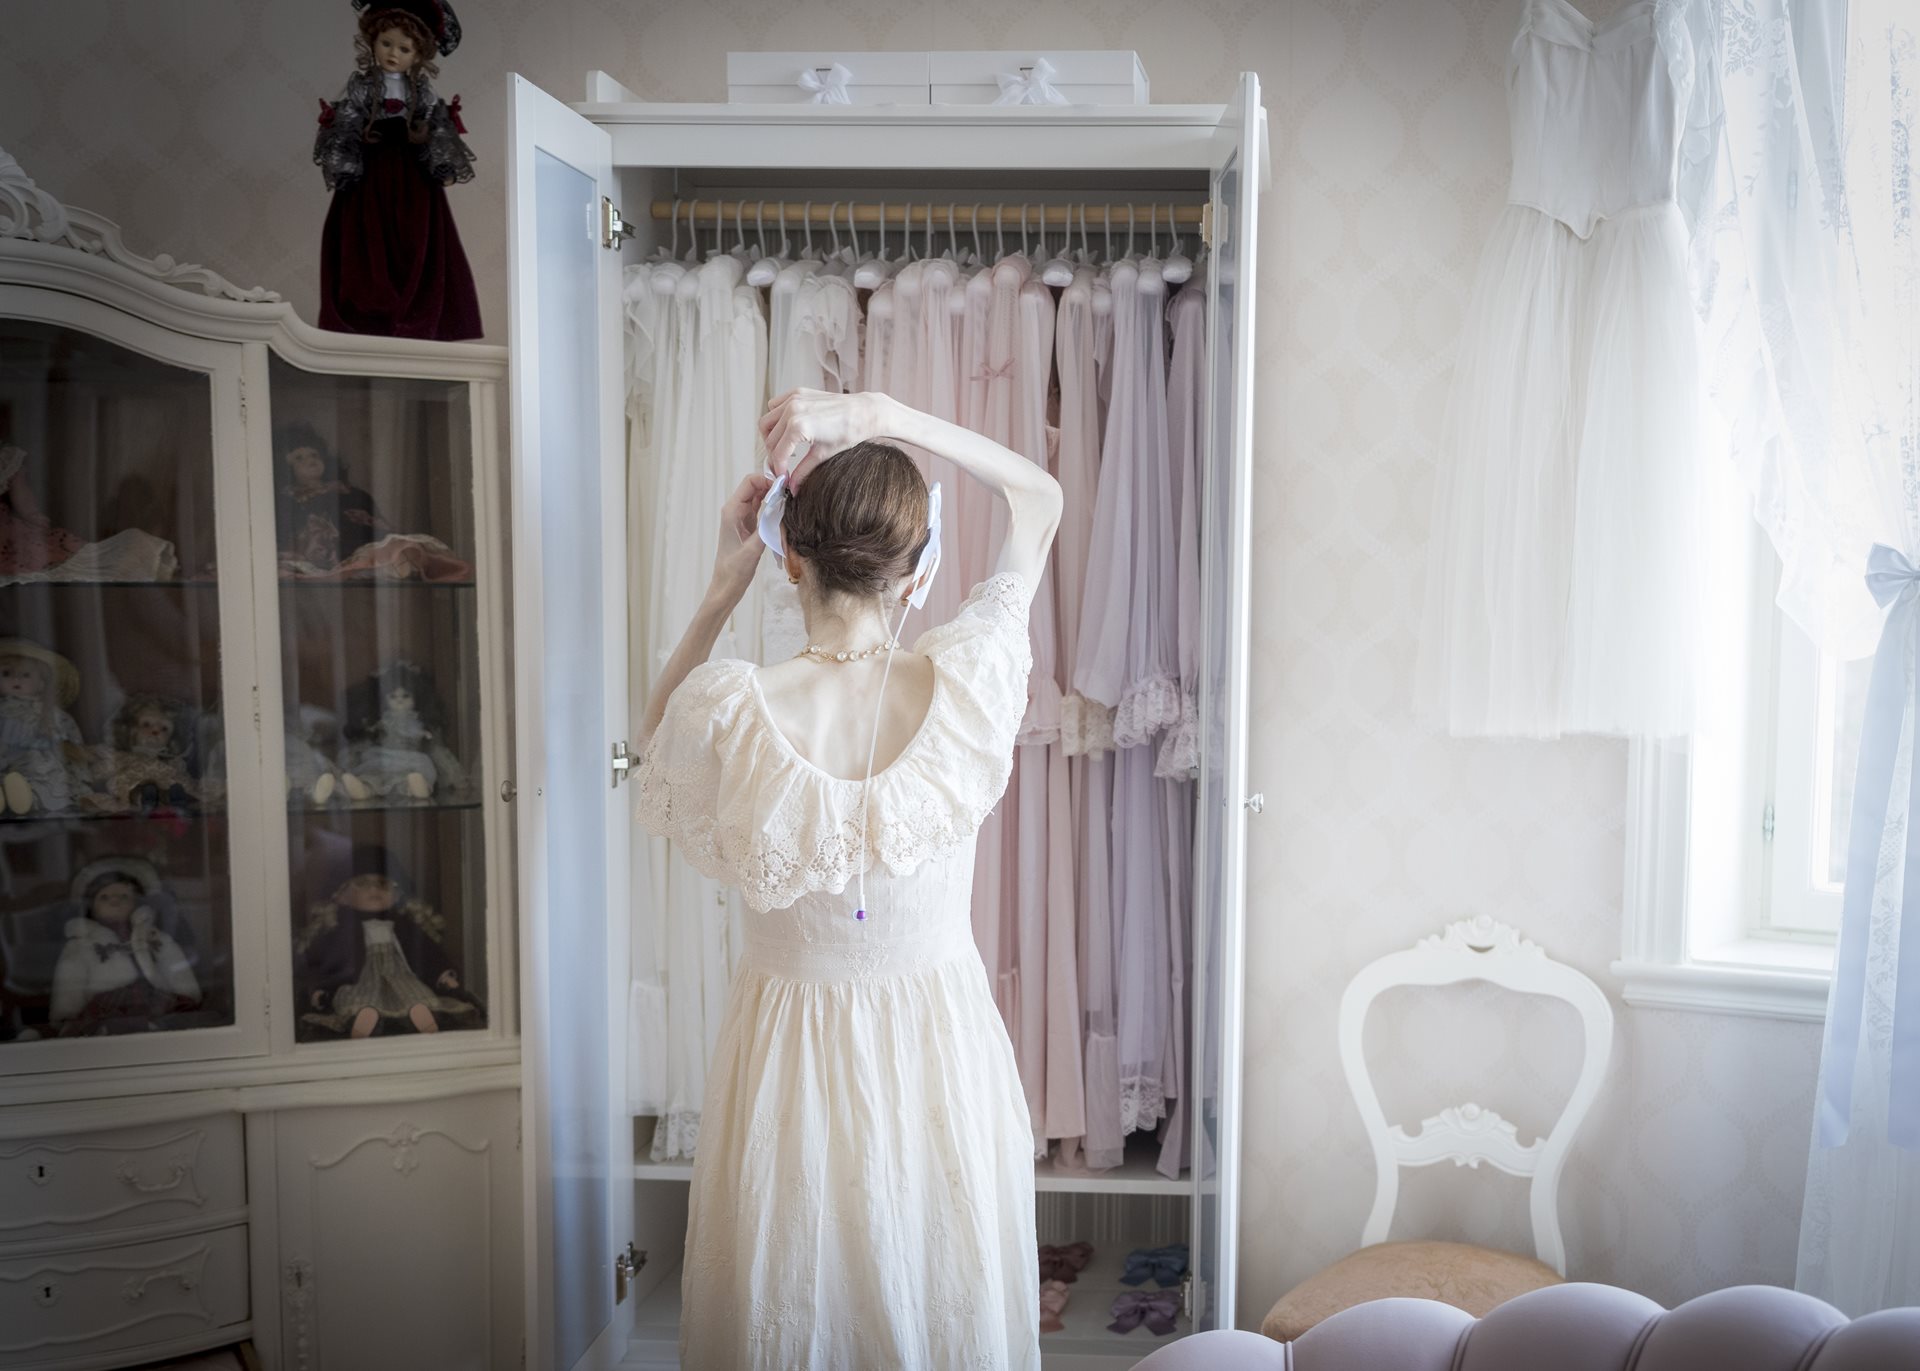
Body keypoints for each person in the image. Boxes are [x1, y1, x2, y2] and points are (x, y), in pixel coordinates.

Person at [635, 388, 1062, 1369]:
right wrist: (880, 411)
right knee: (942, 1291)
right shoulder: (969, 676)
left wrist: (719, 588)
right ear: (919, 573)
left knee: (796, 1306)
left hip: (788, 1047)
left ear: (790, 555)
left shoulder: (732, 708)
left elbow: (652, 745)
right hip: (940, 1038)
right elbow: (1038, 496)